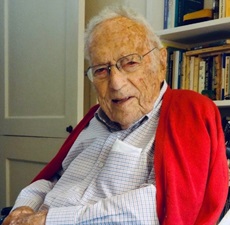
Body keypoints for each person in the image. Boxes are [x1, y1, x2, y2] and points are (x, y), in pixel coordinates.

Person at [3, 6, 228, 225]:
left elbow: (155, 208)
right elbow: (54, 178)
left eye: (130, 62)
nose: (116, 84)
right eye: (101, 70)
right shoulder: (93, 118)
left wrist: (49, 220)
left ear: (160, 62)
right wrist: (25, 208)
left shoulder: (189, 111)